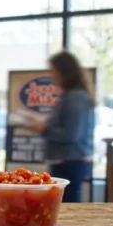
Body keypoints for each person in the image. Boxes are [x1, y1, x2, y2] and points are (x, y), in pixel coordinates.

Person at [27, 51, 94, 203]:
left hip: (71, 161)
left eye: (53, 71)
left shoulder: (75, 97)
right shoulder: (71, 96)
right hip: (66, 160)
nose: (51, 76)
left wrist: (44, 129)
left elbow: (72, 134)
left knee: (68, 203)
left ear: (63, 71)